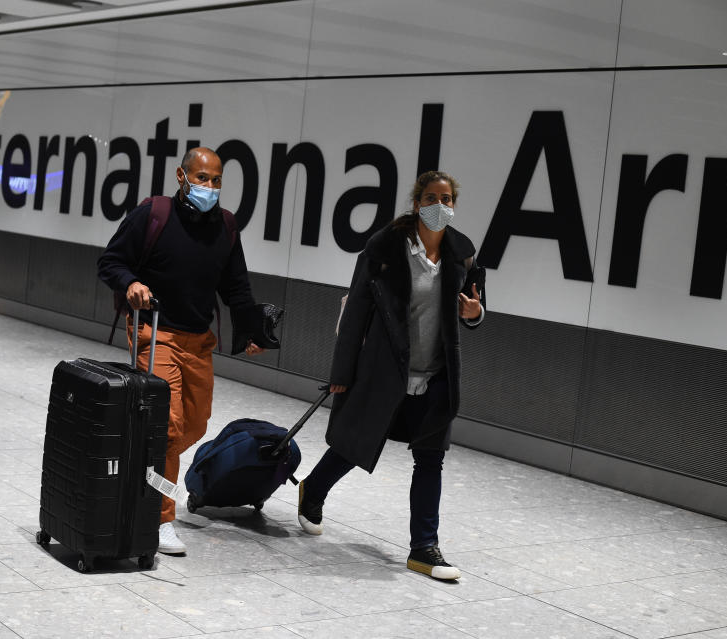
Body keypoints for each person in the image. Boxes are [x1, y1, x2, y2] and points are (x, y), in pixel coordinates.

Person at [297, 170, 485, 581]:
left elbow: (474, 307)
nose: (440, 207)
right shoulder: (383, 249)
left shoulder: (464, 254)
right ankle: (313, 489)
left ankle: (424, 549)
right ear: (417, 203)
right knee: (358, 442)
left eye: (448, 199)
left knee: (430, 458)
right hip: (386, 369)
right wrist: (341, 372)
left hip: (437, 374)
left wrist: (476, 314)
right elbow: (356, 315)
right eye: (432, 198)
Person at [98, 146, 265, 555]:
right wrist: (130, 283)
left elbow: (235, 286)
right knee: (168, 427)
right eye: (202, 177)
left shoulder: (225, 226)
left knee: (195, 424)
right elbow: (110, 261)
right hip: (156, 334)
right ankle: (159, 517)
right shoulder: (152, 214)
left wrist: (249, 331)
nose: (209, 186)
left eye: (217, 179)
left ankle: (143, 467)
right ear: (181, 176)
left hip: (197, 339)